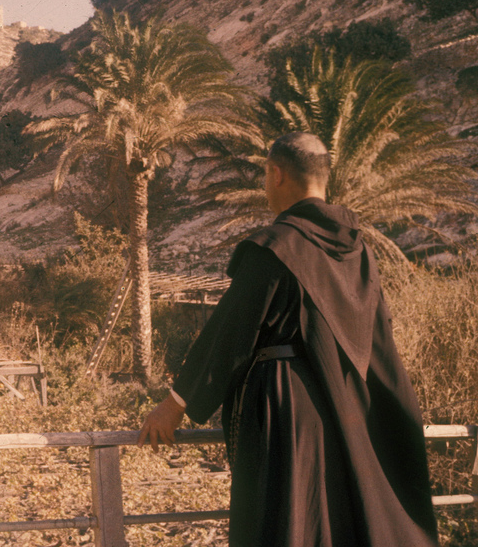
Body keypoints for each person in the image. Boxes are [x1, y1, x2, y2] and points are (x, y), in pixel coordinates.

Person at [137, 132, 439, 547]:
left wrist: (174, 404)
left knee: (286, 524)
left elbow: (229, 333)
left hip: (286, 416)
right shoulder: (360, 253)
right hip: (346, 410)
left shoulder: (276, 246)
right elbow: (380, 340)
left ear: (276, 174)